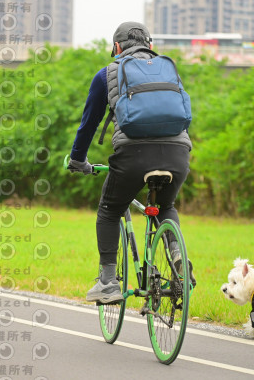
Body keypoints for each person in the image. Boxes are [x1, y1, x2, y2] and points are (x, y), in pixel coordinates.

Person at [67, 22, 194, 304]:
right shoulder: (169, 69)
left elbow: (88, 125)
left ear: (116, 48)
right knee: (165, 206)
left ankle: (108, 282)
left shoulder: (107, 73)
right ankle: (177, 256)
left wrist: (77, 160)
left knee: (110, 209)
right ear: (150, 45)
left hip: (133, 155)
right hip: (178, 154)